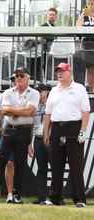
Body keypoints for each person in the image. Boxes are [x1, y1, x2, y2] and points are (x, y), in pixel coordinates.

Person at [0, 67, 40, 204]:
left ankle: (16, 195)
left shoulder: (34, 93)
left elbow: (30, 111)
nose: (18, 78)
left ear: (28, 78)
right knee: (1, 162)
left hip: (24, 130)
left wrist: (12, 112)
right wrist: (21, 111)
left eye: (21, 75)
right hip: (9, 130)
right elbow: (4, 111)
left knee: (20, 164)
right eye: (16, 76)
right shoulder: (7, 93)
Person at [44, 63, 90, 208]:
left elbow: (85, 111)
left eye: (62, 71)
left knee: (76, 166)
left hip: (74, 128)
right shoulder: (53, 90)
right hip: (57, 128)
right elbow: (48, 114)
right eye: (57, 71)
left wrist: (83, 130)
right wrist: (46, 132)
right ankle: (54, 198)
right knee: (56, 165)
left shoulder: (79, 88)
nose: (59, 74)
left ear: (69, 72)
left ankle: (80, 199)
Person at [29, 83, 52, 205]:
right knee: (41, 168)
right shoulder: (34, 107)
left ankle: (55, 197)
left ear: (47, 91)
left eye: (41, 90)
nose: (39, 93)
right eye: (37, 90)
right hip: (38, 139)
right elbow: (31, 125)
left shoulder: (52, 104)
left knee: (55, 168)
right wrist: (29, 144)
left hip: (51, 139)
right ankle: (42, 197)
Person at [0, 91, 15, 203]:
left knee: (14, 164)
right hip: (6, 135)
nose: (15, 80)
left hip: (21, 133)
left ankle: (13, 194)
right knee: (4, 163)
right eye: (13, 79)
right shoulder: (4, 95)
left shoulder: (27, 95)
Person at [77, 0, 94, 93]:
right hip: (87, 44)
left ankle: (92, 89)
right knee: (89, 67)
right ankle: (89, 91)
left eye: (92, 4)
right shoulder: (84, 15)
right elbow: (78, 28)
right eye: (89, 4)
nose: (90, 6)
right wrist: (82, 16)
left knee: (92, 69)